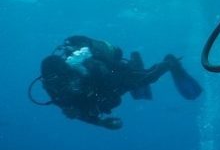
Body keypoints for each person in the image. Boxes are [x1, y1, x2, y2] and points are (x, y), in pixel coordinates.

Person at [31, 35, 203, 129]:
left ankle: (169, 62)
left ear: (70, 72)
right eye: (55, 83)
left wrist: (107, 94)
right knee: (138, 82)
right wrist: (102, 123)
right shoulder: (54, 90)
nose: (63, 86)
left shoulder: (90, 69)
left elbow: (118, 84)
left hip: (112, 78)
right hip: (104, 93)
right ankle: (137, 62)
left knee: (145, 78)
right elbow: (79, 113)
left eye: (64, 80)